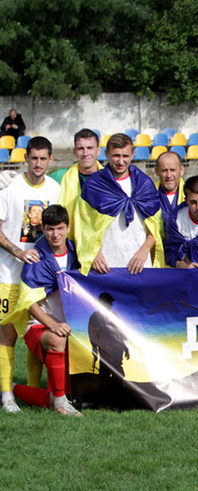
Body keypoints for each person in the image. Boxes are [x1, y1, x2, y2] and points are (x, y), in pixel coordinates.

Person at [0, 137, 61, 413]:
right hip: (9, 275)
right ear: (26, 158)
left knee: (37, 334)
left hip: (40, 280)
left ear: (51, 160)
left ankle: (34, 391)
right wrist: (19, 253)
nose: (38, 164)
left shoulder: (55, 189)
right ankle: (6, 395)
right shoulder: (9, 188)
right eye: (33, 158)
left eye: (43, 158)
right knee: (7, 335)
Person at [3, 205, 81, 416]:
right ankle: (61, 403)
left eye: (60, 228)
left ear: (68, 227)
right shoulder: (35, 258)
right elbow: (29, 303)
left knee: (74, 396)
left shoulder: (78, 252)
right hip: (39, 326)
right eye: (50, 229)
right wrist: (53, 324)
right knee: (57, 339)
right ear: (43, 229)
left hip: (72, 326)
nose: (55, 234)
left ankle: (14, 389)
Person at [77, 133, 164, 275]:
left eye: (125, 156)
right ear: (107, 154)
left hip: (140, 262)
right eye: (116, 156)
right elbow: (83, 224)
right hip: (106, 263)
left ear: (133, 154)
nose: (121, 161)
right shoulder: (94, 184)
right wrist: (94, 252)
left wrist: (145, 250)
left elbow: (156, 226)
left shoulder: (145, 184)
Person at [58, 129, 103, 244]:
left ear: (98, 150)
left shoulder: (110, 179)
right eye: (80, 149)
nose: (85, 153)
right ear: (74, 151)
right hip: (70, 243)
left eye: (90, 148)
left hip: (101, 243)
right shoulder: (61, 177)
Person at [88, 292, 127, 381]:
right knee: (104, 375)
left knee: (118, 376)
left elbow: (121, 332)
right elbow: (93, 334)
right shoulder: (95, 317)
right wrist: (95, 348)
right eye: (109, 302)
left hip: (117, 351)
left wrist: (125, 346)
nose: (111, 305)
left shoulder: (114, 316)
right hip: (105, 351)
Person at [154, 151, 185, 222]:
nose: (169, 175)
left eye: (172, 170)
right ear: (157, 171)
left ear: (181, 170)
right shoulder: (149, 195)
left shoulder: (190, 194)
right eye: (164, 170)